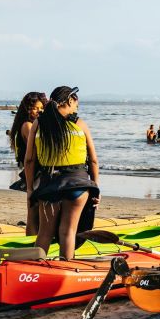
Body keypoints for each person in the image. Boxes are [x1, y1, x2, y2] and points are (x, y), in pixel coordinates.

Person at [25, 86, 100, 260]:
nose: (76, 110)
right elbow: (93, 160)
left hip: (49, 185)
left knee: (44, 233)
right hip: (78, 186)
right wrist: (96, 187)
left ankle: (37, 271)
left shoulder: (39, 123)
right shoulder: (80, 124)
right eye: (76, 105)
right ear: (70, 101)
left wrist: (30, 189)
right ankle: (65, 269)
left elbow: (29, 161)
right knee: (68, 232)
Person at [9, 91, 48, 234]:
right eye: (35, 108)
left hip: (34, 171)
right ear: (27, 108)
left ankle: (33, 239)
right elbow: (39, 149)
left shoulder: (31, 124)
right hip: (35, 172)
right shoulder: (27, 126)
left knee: (34, 210)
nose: (39, 111)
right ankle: (32, 240)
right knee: (33, 212)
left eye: (41, 108)